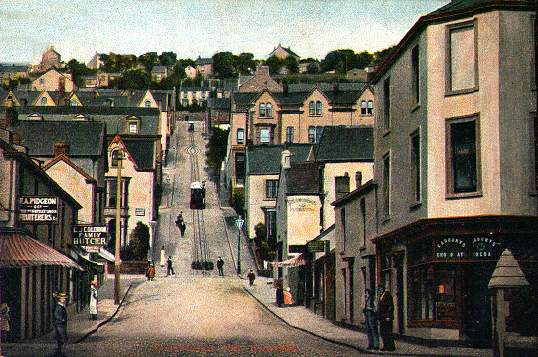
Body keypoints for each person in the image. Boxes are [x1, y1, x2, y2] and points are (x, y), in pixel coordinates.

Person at [377, 285, 395, 351]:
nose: (379, 290)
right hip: (382, 317)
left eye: (380, 289)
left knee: (388, 332)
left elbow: (390, 306)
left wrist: (388, 316)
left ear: (383, 289)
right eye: (379, 289)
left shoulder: (387, 295)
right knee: (383, 332)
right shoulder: (381, 296)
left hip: (387, 317)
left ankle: (390, 347)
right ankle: (386, 346)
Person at [52, 292, 68, 356]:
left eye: (64, 298)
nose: (64, 300)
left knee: (61, 339)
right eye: (63, 298)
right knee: (62, 338)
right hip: (60, 325)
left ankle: (60, 352)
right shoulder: (59, 307)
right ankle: (60, 353)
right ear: (60, 299)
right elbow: (56, 315)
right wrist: (62, 319)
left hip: (61, 325)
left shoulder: (61, 306)